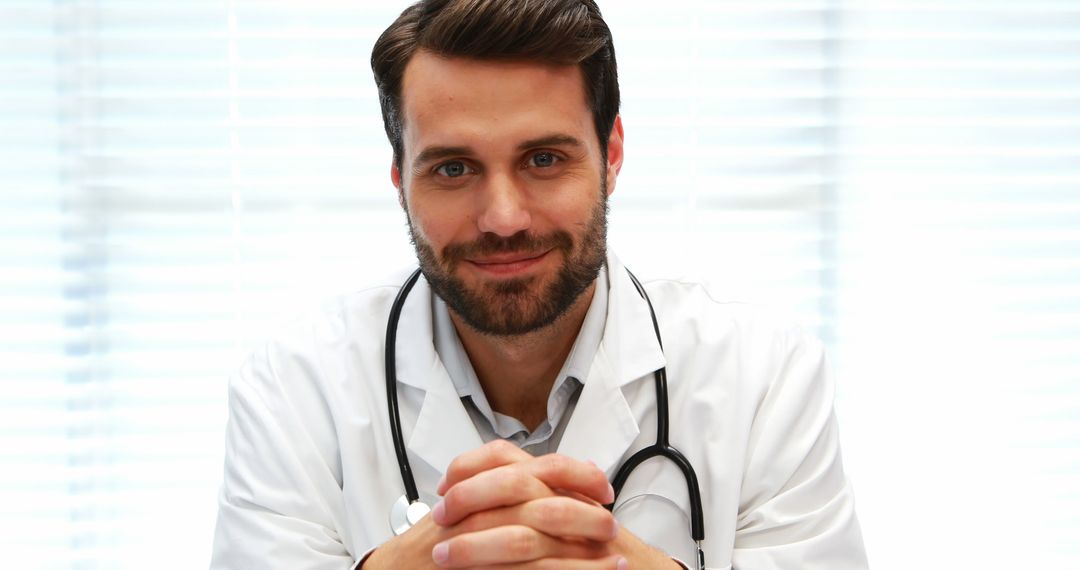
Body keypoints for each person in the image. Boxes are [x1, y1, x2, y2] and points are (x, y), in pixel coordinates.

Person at [211, 1, 869, 568]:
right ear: (399, 179)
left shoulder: (765, 379)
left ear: (611, 155)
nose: (503, 218)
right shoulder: (293, 393)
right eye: (453, 168)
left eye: (544, 159)